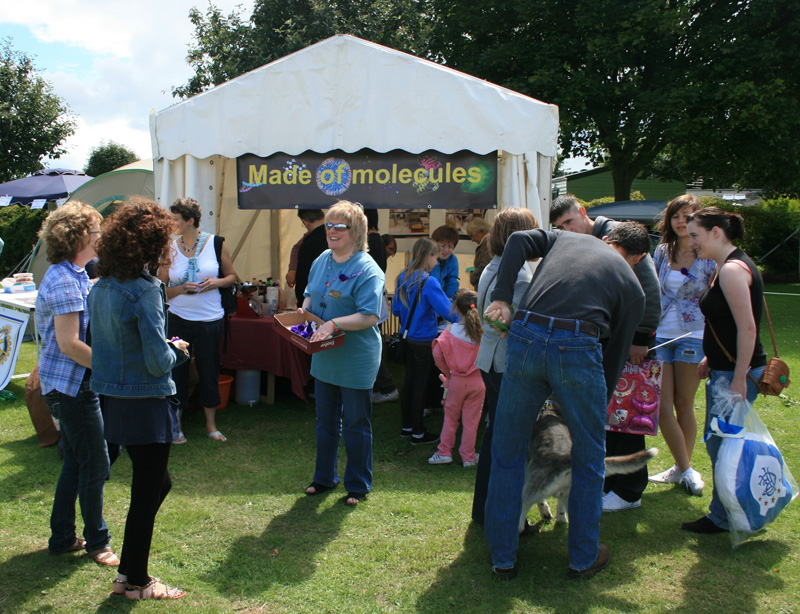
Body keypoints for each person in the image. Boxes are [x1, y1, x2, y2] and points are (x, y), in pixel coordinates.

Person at [483, 222, 648, 580]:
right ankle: (583, 559)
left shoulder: (566, 237)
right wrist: (587, 405)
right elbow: (614, 360)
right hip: (578, 344)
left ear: (605, 239)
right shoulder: (634, 289)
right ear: (638, 259)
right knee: (589, 460)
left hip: (525, 335)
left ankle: (502, 558)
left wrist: (501, 296)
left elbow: (517, 239)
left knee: (507, 452)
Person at [89, 198, 190, 600]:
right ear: (150, 245)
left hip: (113, 397)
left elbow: (115, 346)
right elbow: (155, 362)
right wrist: (178, 350)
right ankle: (137, 582)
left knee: (155, 484)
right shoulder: (147, 291)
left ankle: (127, 573)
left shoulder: (101, 287)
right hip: (146, 401)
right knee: (148, 489)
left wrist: (162, 345)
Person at [550, 196, 660, 512]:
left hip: (628, 345)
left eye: (569, 222)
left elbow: (649, 291)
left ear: (583, 214)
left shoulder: (621, 237)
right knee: (607, 414)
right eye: (559, 228)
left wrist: (641, 338)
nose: (566, 230)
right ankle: (611, 482)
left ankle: (629, 490)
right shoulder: (586, 241)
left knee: (626, 415)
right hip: (605, 342)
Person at [35, 202, 119, 567]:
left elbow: (87, 293)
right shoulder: (66, 281)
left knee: (74, 461)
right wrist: (112, 370)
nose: (101, 237)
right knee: (95, 464)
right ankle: (98, 543)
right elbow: (70, 343)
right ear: (81, 237)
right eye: (98, 231)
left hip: (66, 386)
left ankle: (62, 537)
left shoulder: (73, 274)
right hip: (73, 389)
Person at [681, 207, 767, 534]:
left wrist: (740, 376)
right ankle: (727, 513)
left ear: (717, 232)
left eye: (696, 236)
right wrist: (710, 359)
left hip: (733, 374)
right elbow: (727, 324)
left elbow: (747, 328)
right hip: (724, 369)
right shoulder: (723, 268)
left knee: (723, 446)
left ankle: (728, 515)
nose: (692, 243)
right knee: (721, 444)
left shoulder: (731, 270)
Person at [300, 201, 385, 506]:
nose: (331, 231)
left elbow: (370, 316)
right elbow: (311, 292)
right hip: (324, 351)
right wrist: (305, 312)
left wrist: (334, 323)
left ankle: (358, 485)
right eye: (329, 225)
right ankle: (324, 477)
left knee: (355, 423)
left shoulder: (367, 269)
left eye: (339, 226)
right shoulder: (323, 258)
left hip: (355, 355)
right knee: (325, 420)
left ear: (357, 231)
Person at [471, 207, 539, 523]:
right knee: (506, 441)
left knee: (495, 433)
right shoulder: (519, 274)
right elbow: (522, 324)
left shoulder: (492, 266)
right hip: (503, 362)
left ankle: (484, 510)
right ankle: (499, 513)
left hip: (490, 359)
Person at [648, 196, 716, 496]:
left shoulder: (709, 255)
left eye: (688, 216)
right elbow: (651, 289)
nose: (681, 221)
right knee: (661, 407)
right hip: (661, 334)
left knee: (683, 403)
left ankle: (680, 468)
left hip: (694, 335)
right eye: (676, 215)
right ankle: (687, 470)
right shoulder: (663, 250)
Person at [159, 197, 236, 443]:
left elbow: (233, 276)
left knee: (209, 370)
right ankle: (177, 427)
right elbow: (160, 288)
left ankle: (211, 426)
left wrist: (216, 282)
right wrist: (181, 289)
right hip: (179, 318)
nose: (171, 223)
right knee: (177, 371)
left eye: (175, 219)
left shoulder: (216, 243)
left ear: (190, 220)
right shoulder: (169, 247)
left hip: (210, 319)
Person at [393, 238, 460, 445]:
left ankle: (407, 427)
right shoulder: (429, 281)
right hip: (424, 340)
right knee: (420, 387)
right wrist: (464, 316)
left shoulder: (402, 276)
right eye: (435, 256)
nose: (438, 261)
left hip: (407, 338)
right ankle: (418, 433)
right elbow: (447, 312)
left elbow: (395, 309)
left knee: (409, 384)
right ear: (428, 256)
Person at [428, 289, 486, 467]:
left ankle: (444, 451)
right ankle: (468, 456)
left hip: (456, 381)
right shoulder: (483, 332)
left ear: (456, 308)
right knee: (472, 420)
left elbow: (437, 353)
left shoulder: (450, 331)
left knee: (451, 417)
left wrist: (448, 372)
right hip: (478, 382)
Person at [365, 209, 399, 404]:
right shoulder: (377, 242)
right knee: (373, 346)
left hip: (372, 303)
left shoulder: (372, 243)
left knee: (371, 347)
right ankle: (380, 386)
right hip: (376, 302)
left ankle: (386, 387)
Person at [294, 209, 328, 304]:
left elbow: (303, 276)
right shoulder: (335, 237)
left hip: (313, 300)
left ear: (305, 222)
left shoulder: (309, 243)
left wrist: (301, 300)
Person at [429, 224, 460, 299]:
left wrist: (450, 300)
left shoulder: (452, 260)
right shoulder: (423, 258)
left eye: (450, 247)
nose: (446, 250)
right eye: (442, 246)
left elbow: (452, 283)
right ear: (434, 244)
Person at [466, 217, 491, 289]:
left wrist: (473, 276)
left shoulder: (487, 242)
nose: (472, 240)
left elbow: (485, 265)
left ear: (480, 231)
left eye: (472, 235)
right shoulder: (488, 241)